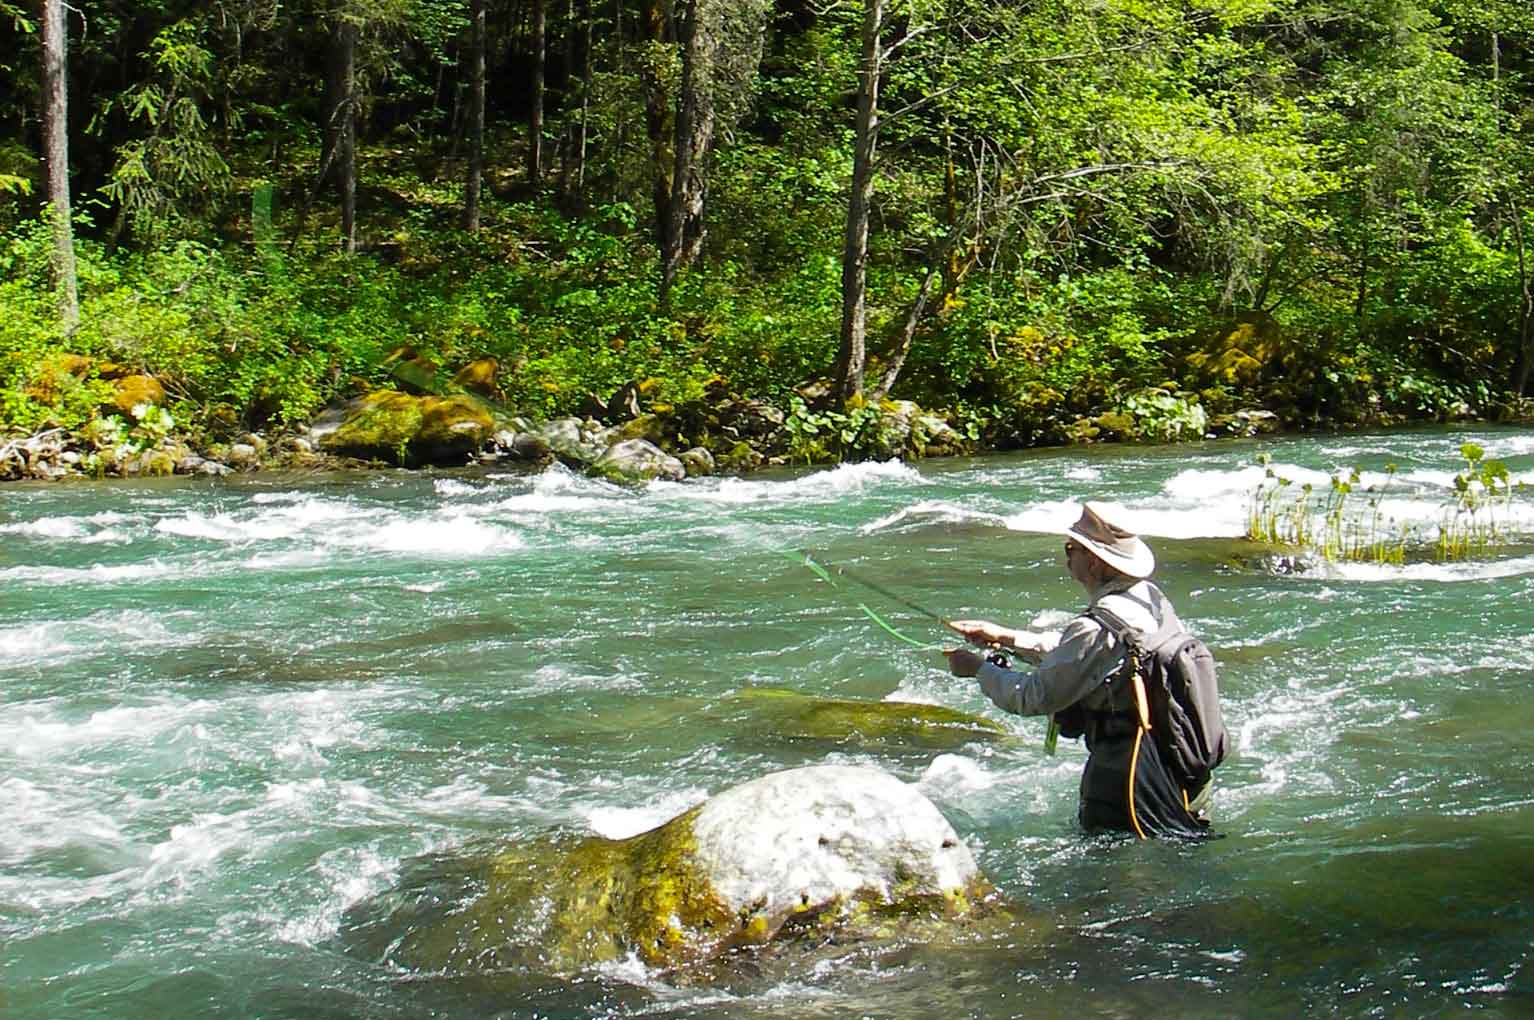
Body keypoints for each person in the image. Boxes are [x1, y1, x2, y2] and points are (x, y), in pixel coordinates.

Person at [944, 501, 1213, 838]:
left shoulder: (1096, 626)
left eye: (1071, 548)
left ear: (1095, 562)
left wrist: (978, 670)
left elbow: (1033, 697)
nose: (1066, 556)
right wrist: (1007, 637)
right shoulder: (1150, 597)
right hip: (1181, 766)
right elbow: (1091, 656)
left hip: (1128, 784)